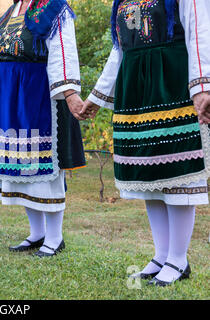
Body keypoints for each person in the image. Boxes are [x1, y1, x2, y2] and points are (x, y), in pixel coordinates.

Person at [82, 0, 210, 286]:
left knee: (179, 172)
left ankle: (178, 259)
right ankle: (162, 254)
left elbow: (200, 29)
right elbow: (119, 49)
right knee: (149, 174)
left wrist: (203, 86)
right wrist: (97, 95)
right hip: (137, 88)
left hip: (173, 80)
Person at [0, 0, 86, 257]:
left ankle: (55, 237)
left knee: (44, 165)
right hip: (8, 96)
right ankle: (37, 233)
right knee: (21, 167)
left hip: (37, 95)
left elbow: (63, 51)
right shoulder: (8, 15)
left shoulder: (54, 8)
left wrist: (70, 94)